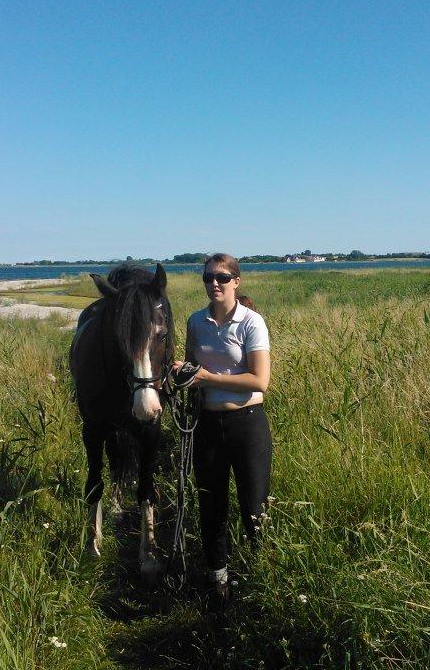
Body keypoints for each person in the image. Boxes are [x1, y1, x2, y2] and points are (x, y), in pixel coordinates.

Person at [174, 253, 272, 612]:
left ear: (236, 281)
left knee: (255, 509)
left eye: (222, 277)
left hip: (246, 424)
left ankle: (260, 583)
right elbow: (191, 371)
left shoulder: (252, 322)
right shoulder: (195, 322)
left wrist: (207, 377)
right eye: (208, 278)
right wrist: (182, 373)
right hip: (207, 426)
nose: (214, 283)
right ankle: (218, 588)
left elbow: (260, 380)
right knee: (211, 508)